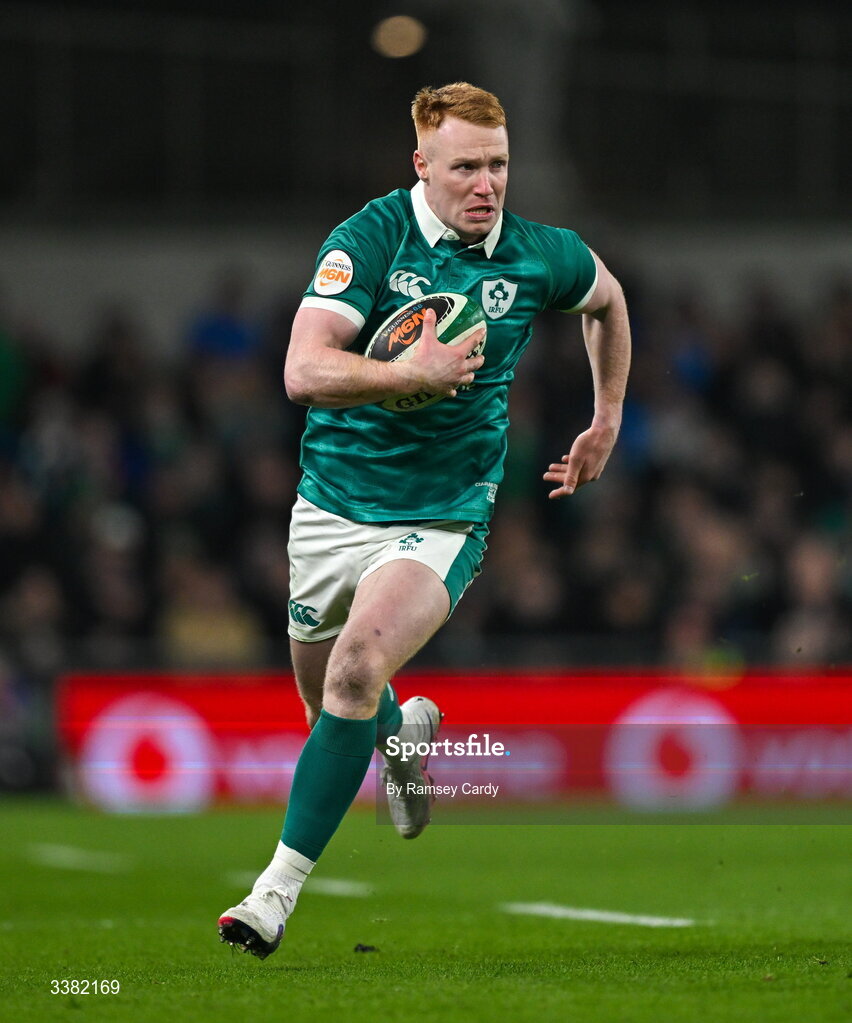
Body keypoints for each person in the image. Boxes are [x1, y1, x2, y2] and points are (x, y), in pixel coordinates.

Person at [217, 82, 631, 959]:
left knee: (355, 668)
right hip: (331, 507)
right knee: (333, 701)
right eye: (467, 167)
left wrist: (607, 420)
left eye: (499, 165)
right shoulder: (368, 239)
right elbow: (302, 368)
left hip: (442, 514)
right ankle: (402, 733)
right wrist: (411, 372)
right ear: (423, 166)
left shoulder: (536, 254)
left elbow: (609, 302)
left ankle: (271, 894)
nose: (487, 185)